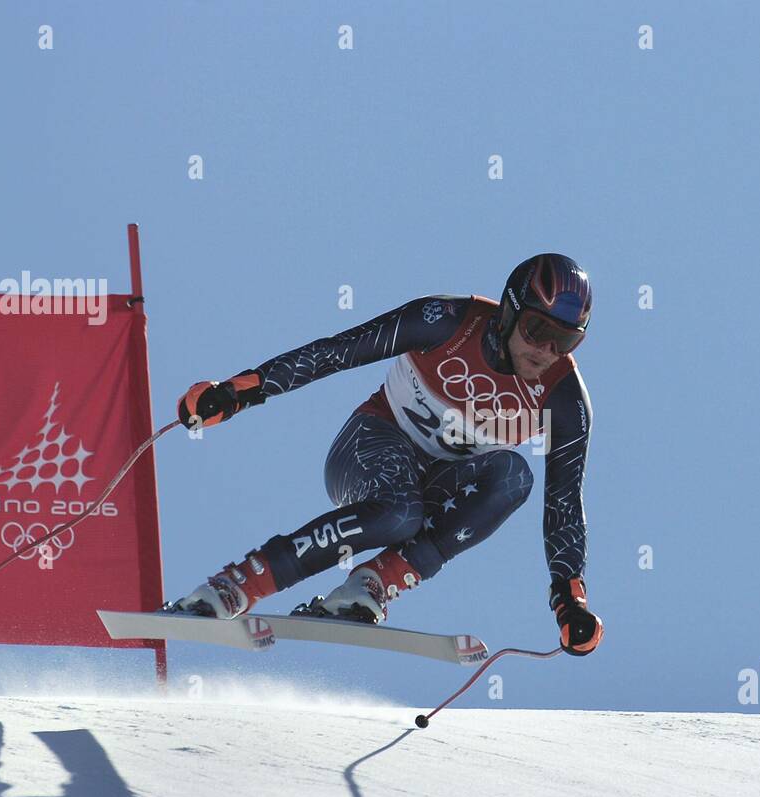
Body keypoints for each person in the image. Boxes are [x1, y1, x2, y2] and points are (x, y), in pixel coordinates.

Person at [169, 253, 603, 656]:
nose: (547, 351)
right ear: (509, 312)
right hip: (368, 447)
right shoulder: (447, 321)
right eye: (538, 330)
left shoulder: (564, 397)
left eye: (566, 340)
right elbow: (334, 352)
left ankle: (371, 583)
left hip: (436, 485)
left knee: (513, 476)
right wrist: (240, 392)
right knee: (399, 512)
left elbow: (563, 502)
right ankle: (237, 585)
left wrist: (568, 599)